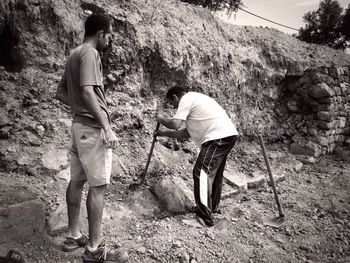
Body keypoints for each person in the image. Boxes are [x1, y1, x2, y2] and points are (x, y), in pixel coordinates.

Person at [55, 14, 128, 262]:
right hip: (92, 129)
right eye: (109, 35)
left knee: (76, 181)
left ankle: (74, 235)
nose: (109, 40)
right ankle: (94, 249)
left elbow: (60, 93)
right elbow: (88, 91)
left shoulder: (74, 54)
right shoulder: (90, 54)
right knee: (99, 188)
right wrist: (105, 127)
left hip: (78, 128)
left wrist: (78, 109)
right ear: (99, 33)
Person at [155, 86, 238, 227]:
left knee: (201, 172)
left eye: (172, 103)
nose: (174, 107)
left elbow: (175, 124)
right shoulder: (196, 100)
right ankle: (212, 207)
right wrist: (163, 133)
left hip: (216, 137)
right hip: (228, 135)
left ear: (175, 98)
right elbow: (186, 133)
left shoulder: (186, 99)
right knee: (215, 174)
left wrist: (161, 119)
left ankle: (203, 215)